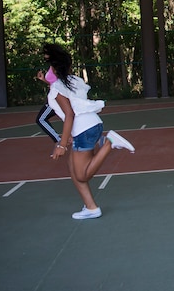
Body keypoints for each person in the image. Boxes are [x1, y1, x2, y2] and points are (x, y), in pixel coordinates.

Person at [43, 43, 136, 220]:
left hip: (84, 130)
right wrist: (67, 136)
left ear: (54, 68)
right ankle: (91, 207)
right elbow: (73, 110)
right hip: (91, 125)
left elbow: (69, 114)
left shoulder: (57, 89)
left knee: (82, 174)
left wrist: (62, 145)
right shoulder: (73, 81)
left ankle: (109, 143)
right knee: (72, 168)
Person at [35, 65, 60, 143]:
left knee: (41, 119)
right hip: (54, 97)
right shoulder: (52, 66)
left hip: (56, 98)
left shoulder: (56, 65)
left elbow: (60, 83)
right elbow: (53, 83)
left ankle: (58, 140)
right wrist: (43, 79)